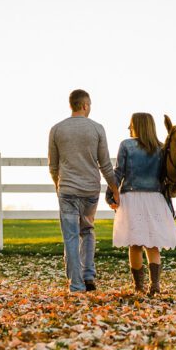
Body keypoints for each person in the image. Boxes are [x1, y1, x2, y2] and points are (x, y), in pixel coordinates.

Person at [48, 89, 120, 292]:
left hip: (68, 190)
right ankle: (88, 276)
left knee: (70, 236)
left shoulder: (56, 129)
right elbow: (105, 164)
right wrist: (114, 188)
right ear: (85, 105)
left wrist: (58, 185)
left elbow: (53, 166)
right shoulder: (97, 129)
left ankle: (76, 284)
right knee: (87, 231)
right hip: (90, 191)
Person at [107, 112, 176, 295]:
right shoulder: (161, 148)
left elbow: (118, 173)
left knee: (135, 244)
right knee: (153, 243)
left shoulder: (126, 145)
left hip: (132, 198)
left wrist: (111, 192)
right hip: (155, 198)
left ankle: (139, 287)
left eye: (131, 124)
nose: (128, 127)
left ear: (137, 126)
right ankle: (155, 285)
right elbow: (165, 177)